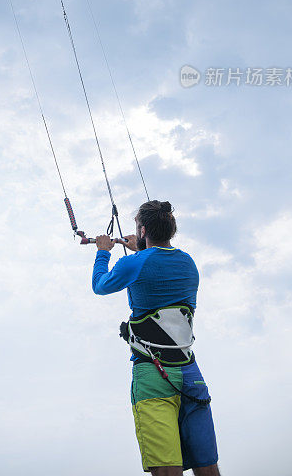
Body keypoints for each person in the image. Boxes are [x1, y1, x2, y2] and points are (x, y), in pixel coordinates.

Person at [92, 200, 220, 476]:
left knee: (166, 468)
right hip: (191, 373)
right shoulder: (188, 262)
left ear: (143, 229)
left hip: (154, 374)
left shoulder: (132, 263)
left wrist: (103, 252)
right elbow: (157, 266)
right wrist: (141, 247)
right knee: (207, 466)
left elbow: (100, 286)